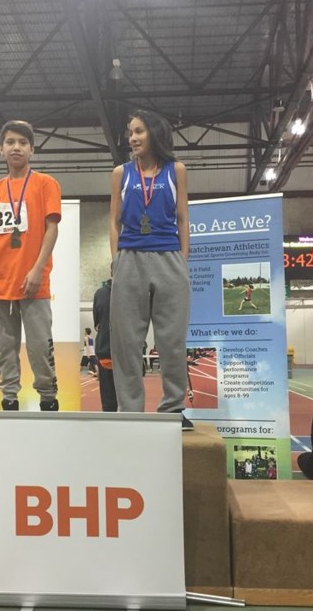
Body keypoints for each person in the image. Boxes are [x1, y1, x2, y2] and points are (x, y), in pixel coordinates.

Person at [109, 110, 192, 430]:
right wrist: (116, 259)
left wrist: (183, 260)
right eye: (130, 132)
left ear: (155, 133)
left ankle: (172, 407)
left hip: (169, 258)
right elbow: (113, 220)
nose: (132, 137)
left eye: (139, 131)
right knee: (127, 342)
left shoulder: (177, 170)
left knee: (172, 340)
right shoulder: (121, 173)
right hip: (130, 259)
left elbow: (183, 217)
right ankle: (129, 410)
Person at [0, 120, 61, 412]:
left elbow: (52, 229)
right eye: (10, 142)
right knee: (5, 350)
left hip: (33, 284)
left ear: (32, 150)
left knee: (39, 349)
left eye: (23, 142)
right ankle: (9, 400)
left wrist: (38, 269)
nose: (16, 147)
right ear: (1, 149)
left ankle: (48, 398)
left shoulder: (45, 184)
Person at [92, 276, 117, 411]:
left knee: (108, 400)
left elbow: (97, 322)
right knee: (130, 400)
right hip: (126, 353)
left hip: (105, 348)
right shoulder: (133, 292)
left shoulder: (100, 293)